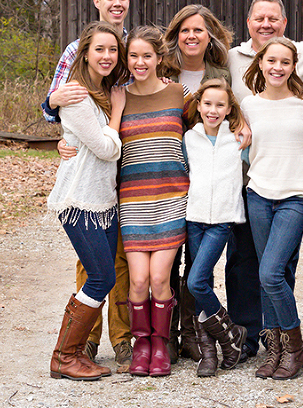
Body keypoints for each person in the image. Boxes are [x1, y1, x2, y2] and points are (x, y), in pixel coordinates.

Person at [40, 0, 133, 372]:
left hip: (105, 196)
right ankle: (70, 353)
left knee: (110, 272)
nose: (108, 56)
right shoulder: (79, 91)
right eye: (100, 51)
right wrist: (54, 104)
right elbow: (105, 145)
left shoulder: (110, 76)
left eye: (112, 51)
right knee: (99, 275)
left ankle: (79, 351)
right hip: (82, 199)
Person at [225, 0, 303, 362]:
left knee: (276, 267)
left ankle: (285, 343)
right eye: (259, 18)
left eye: (274, 18)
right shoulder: (234, 65)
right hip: (251, 184)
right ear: (248, 22)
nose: (266, 24)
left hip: (293, 187)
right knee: (247, 263)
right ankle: (257, 338)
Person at [160, 4, 237, 362]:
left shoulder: (221, 71)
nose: (191, 36)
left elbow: (234, 109)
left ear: (210, 37)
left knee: (196, 265)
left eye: (199, 30)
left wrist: (244, 125)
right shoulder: (164, 72)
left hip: (206, 182)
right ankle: (166, 334)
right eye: (185, 30)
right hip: (169, 175)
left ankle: (192, 333)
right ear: (175, 35)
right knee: (168, 259)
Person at [241, 37, 303, 380]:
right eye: (271, 61)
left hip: (296, 194)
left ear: (294, 66)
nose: (277, 67)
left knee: (271, 272)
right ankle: (276, 350)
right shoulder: (247, 105)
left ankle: (296, 346)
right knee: (271, 272)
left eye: (285, 62)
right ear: (260, 63)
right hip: (258, 192)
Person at [118, 26, 191, 378]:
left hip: (171, 197)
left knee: (161, 278)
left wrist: (241, 127)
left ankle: (161, 343)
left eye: (147, 55)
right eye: (133, 56)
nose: (140, 62)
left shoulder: (178, 93)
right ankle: (141, 344)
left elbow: (212, 118)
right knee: (137, 281)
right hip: (133, 200)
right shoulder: (119, 97)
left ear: (159, 58)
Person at [183, 78, 248, 377]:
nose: (213, 110)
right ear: (198, 106)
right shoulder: (189, 139)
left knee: (195, 282)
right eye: (207, 104)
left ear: (229, 109)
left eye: (220, 105)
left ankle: (231, 334)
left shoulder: (238, 139)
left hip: (221, 220)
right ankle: (210, 353)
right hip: (194, 218)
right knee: (201, 281)